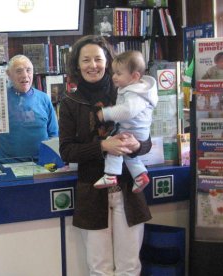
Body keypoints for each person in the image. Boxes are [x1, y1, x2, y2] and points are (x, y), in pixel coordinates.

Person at [58, 35, 152, 275]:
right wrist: (103, 146)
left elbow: (147, 141)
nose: (93, 65)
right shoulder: (69, 102)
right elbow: (67, 150)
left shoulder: (126, 93)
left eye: (98, 59)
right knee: (99, 268)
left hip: (128, 190)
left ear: (108, 62)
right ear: (77, 65)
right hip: (92, 191)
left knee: (129, 266)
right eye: (86, 60)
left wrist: (136, 145)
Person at [94, 50, 158, 193]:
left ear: (134, 76)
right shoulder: (134, 89)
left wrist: (106, 113)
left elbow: (127, 111)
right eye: (114, 73)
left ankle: (110, 174)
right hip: (137, 130)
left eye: (118, 73)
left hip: (134, 130)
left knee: (114, 143)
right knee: (127, 154)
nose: (114, 77)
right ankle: (140, 175)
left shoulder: (135, 93)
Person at [0, 54, 59, 161]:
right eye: (19, 71)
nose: (25, 75)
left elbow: (54, 134)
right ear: (9, 74)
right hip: (8, 165)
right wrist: (0, 159)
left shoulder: (44, 99)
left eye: (28, 70)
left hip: (42, 164)